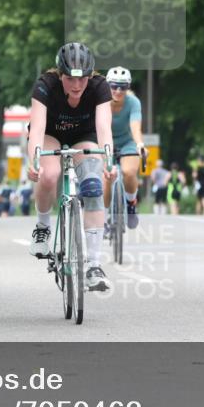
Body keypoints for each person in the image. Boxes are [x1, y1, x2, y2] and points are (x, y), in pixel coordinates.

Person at [26, 41, 117, 292]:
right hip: (50, 134)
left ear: (90, 76)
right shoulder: (45, 85)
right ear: (60, 75)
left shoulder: (100, 86)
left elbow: (104, 127)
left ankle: (94, 266)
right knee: (49, 174)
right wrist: (34, 161)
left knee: (94, 185)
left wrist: (108, 160)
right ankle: (42, 227)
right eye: (70, 79)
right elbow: (37, 128)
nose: (77, 86)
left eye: (82, 79)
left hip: (84, 136)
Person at [102, 66, 146, 229]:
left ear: (128, 87)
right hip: (105, 143)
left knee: (129, 172)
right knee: (107, 177)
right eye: (114, 86)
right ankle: (103, 217)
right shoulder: (101, 102)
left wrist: (139, 144)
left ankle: (131, 204)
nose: (118, 91)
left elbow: (135, 125)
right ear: (107, 86)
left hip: (127, 142)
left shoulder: (133, 102)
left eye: (123, 87)